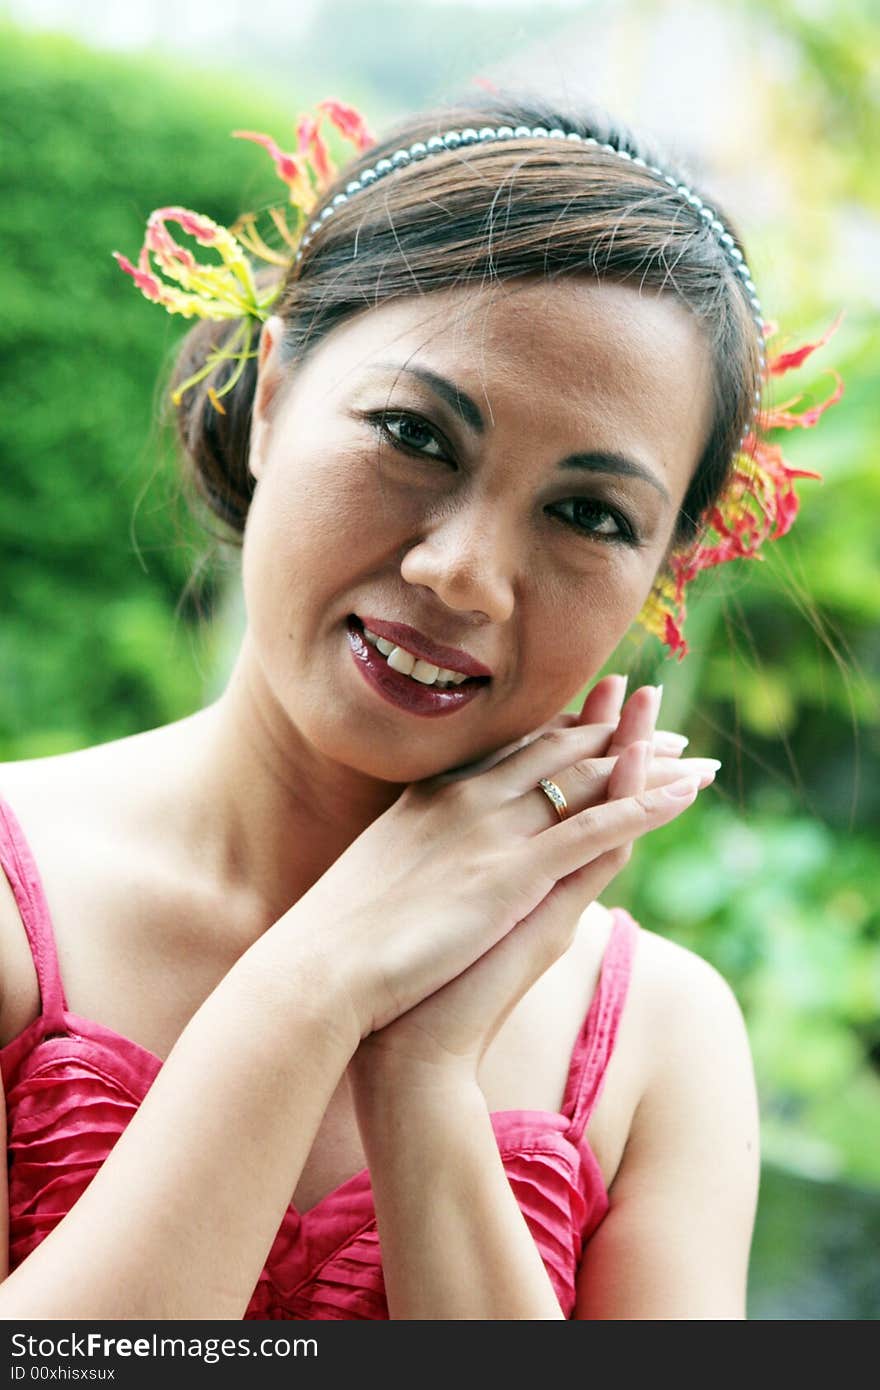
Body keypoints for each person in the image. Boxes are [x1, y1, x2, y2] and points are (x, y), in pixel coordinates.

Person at [0, 89, 839, 1320]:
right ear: (275, 394)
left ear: (660, 579)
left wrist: (425, 1073)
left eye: (589, 515)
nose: (462, 573)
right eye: (414, 432)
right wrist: (315, 985)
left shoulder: (661, 1043)